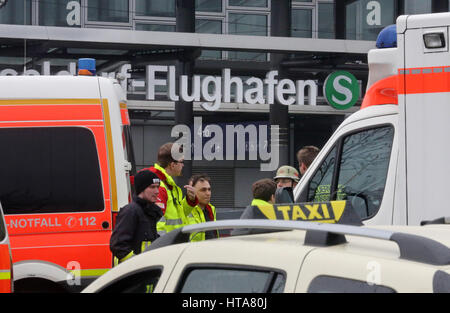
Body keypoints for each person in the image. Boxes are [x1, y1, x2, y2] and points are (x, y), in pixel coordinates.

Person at [110, 170, 162, 264]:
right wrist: (136, 264)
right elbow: (118, 245)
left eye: (157, 187)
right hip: (132, 272)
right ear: (141, 189)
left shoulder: (149, 211)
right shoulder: (131, 211)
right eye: (152, 187)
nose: (157, 191)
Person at [146, 142, 198, 235]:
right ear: (172, 164)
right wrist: (165, 247)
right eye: (181, 162)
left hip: (171, 243)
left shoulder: (168, 185)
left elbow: (178, 217)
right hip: (166, 246)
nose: (183, 165)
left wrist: (190, 200)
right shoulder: (160, 187)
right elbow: (157, 225)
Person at [186, 174, 219, 241]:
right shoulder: (183, 210)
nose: (208, 193)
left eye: (209, 189)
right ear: (191, 191)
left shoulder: (211, 209)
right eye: (203, 190)